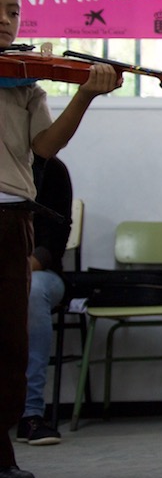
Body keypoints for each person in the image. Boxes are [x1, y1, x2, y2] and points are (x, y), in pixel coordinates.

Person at [1, 0, 121, 478]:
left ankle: (1, 443)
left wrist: (84, 96)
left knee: (7, 338)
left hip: (9, 215)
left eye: (13, 13)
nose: (6, 23)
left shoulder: (22, 78)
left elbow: (45, 147)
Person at [16, 156, 73, 446]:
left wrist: (13, 273)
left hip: (43, 273)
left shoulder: (51, 170)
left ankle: (31, 414)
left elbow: (53, 242)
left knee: (33, 290)